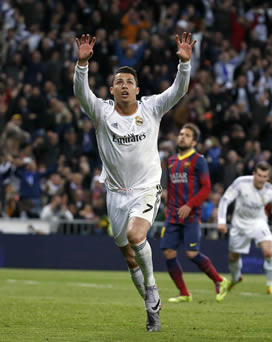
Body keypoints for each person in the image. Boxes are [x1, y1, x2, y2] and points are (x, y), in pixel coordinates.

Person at [73, 32, 196, 332]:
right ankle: (150, 308)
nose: (124, 86)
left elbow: (178, 91)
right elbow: (81, 94)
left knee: (136, 235)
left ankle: (152, 287)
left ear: (137, 89)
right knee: (128, 255)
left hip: (146, 188)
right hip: (115, 193)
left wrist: (184, 65)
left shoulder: (150, 108)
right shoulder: (102, 113)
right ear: (112, 90)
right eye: (119, 82)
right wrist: (82, 65)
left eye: (129, 82)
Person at [160, 123, 230, 303]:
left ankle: (220, 280)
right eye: (181, 134)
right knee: (168, 252)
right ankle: (184, 292)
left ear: (194, 141)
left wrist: (190, 205)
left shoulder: (198, 160)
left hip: (190, 215)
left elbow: (206, 188)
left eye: (187, 135)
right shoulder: (172, 161)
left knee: (191, 253)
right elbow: (169, 186)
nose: (182, 137)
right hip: (173, 216)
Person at [217, 161, 272, 295]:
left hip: (258, 222)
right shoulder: (241, 183)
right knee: (233, 257)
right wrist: (221, 221)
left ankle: (271, 285)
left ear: (268, 178)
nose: (261, 179)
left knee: (268, 252)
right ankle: (235, 278)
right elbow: (225, 200)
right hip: (239, 223)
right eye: (259, 175)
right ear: (254, 174)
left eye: (265, 176)